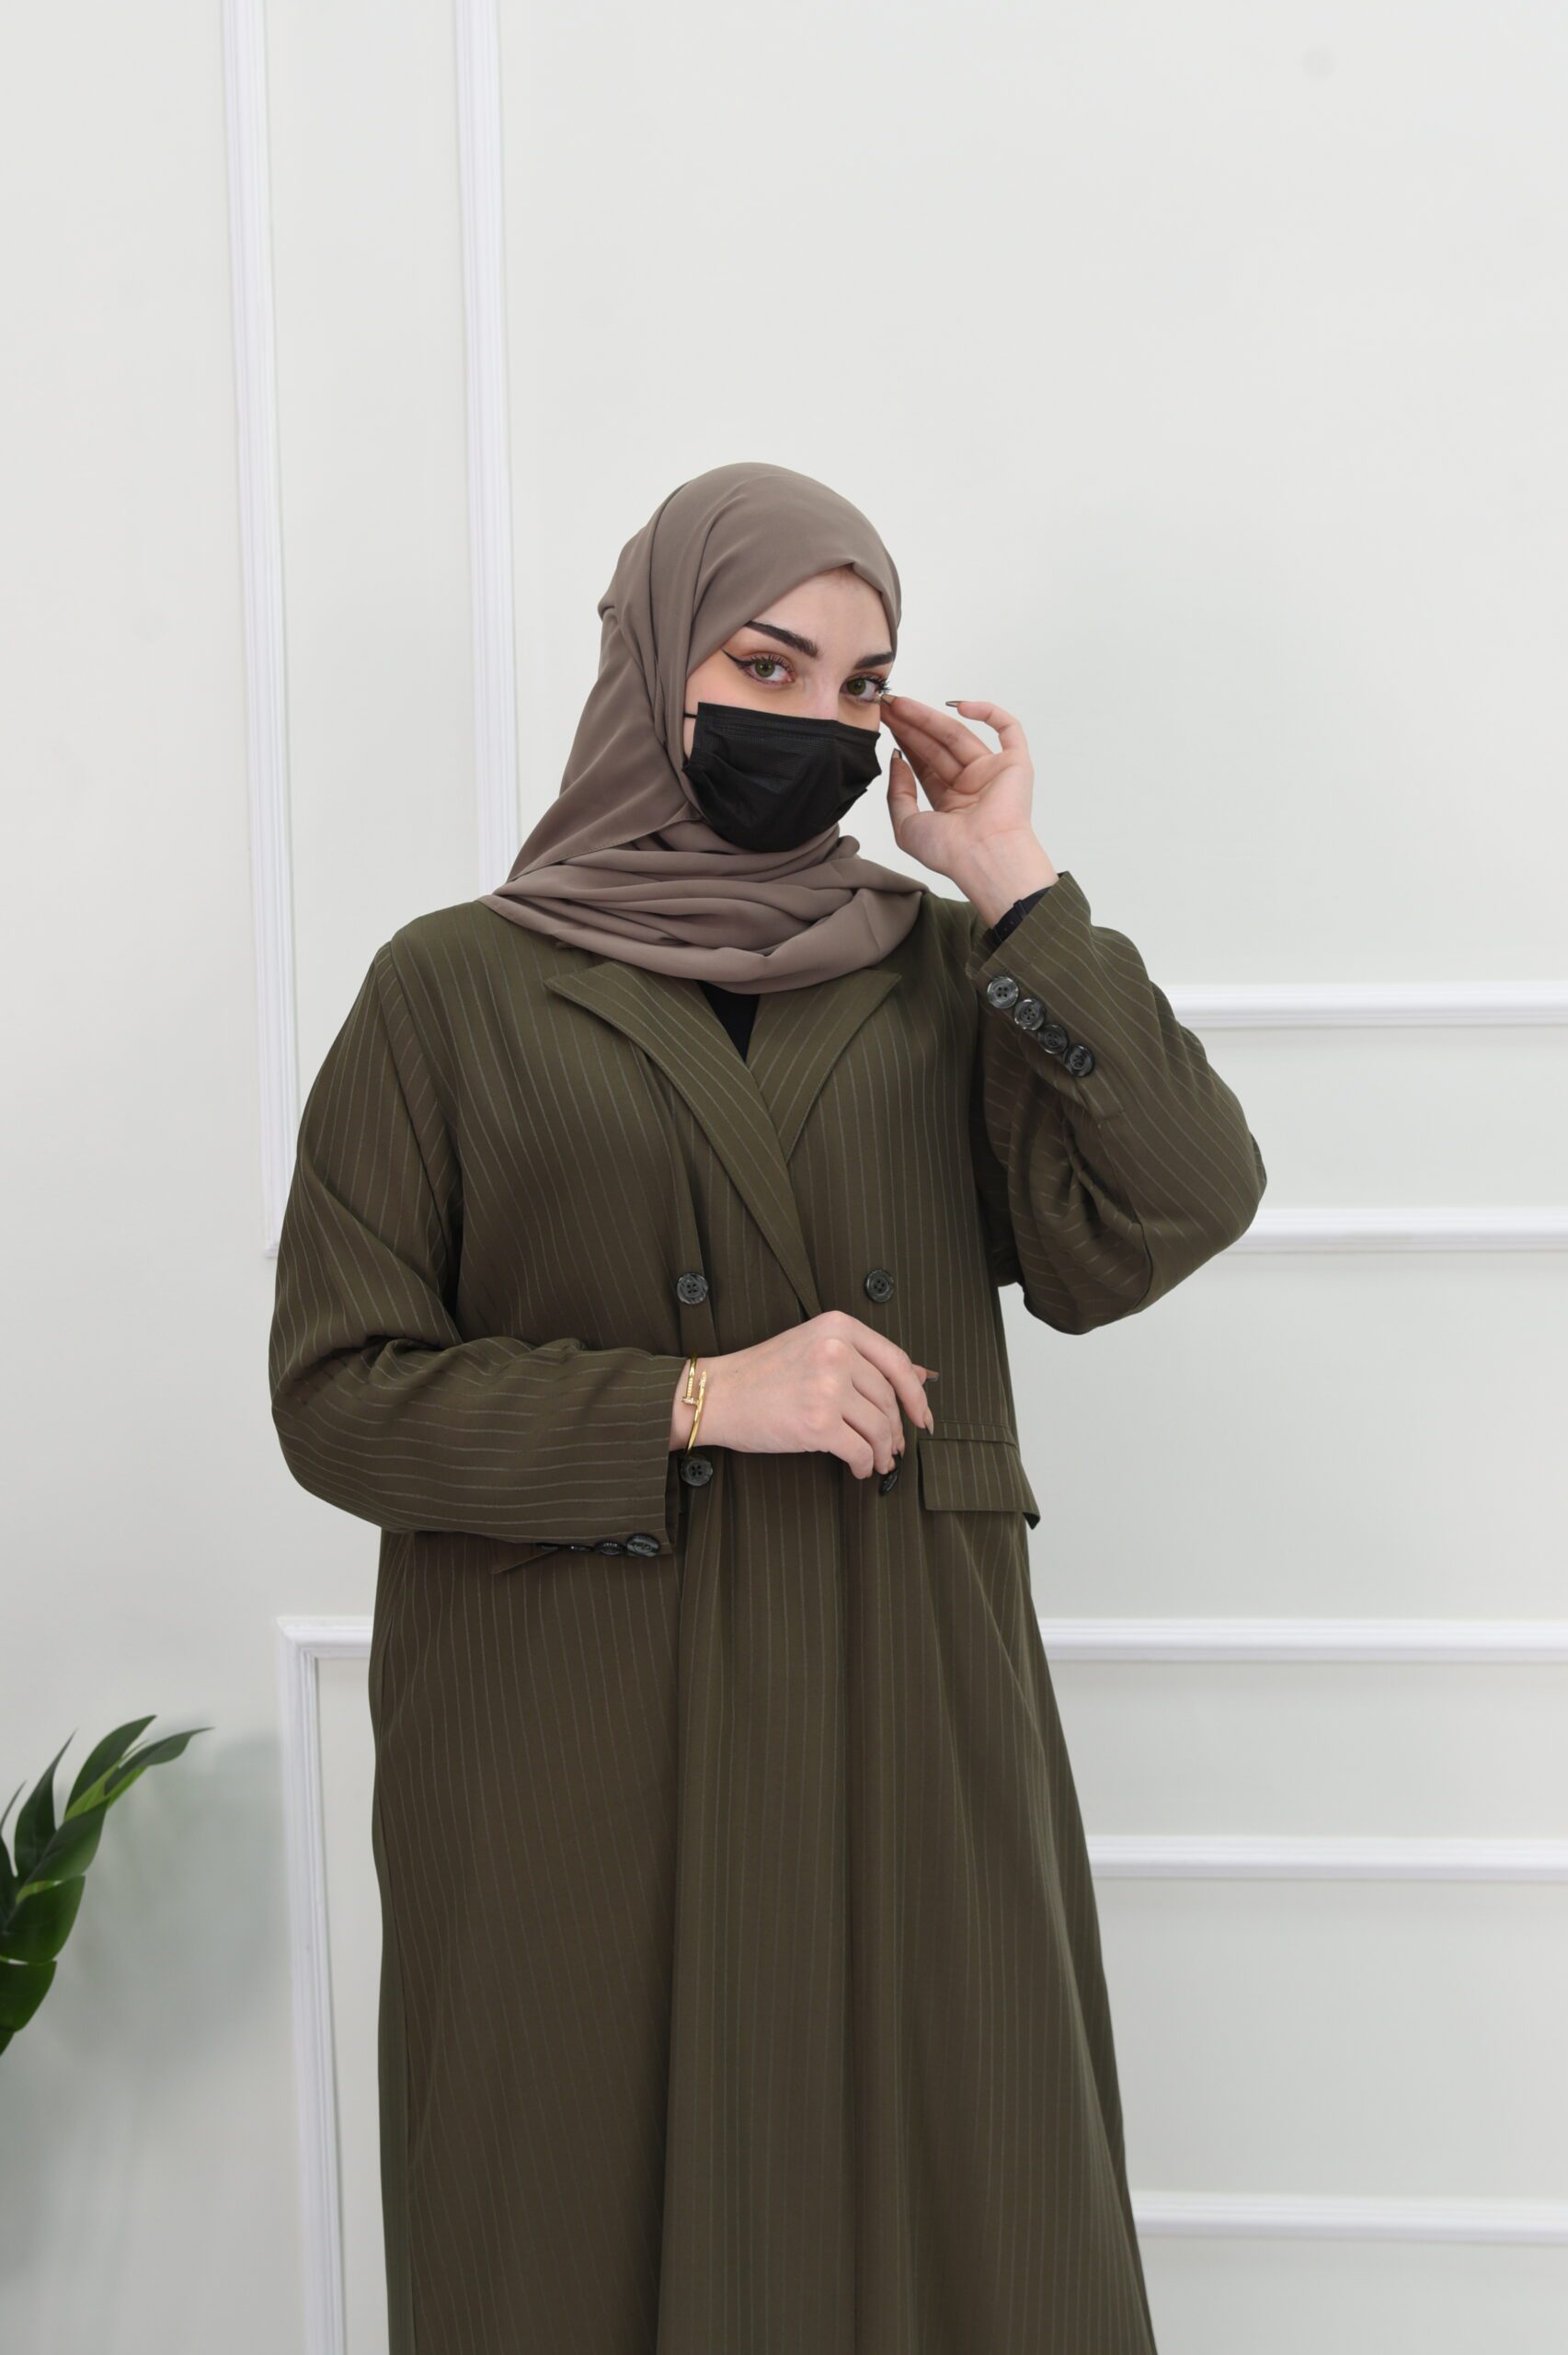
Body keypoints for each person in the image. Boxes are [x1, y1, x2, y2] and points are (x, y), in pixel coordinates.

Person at [268, 458, 1266, 2354]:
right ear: (653, 662)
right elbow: (337, 1395)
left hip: (895, 1701)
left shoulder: (940, 973)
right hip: (575, 1734)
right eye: (762, 663)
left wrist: (1011, 880)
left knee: (960, 2224)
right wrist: (693, 1397)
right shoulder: (451, 990)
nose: (810, 718)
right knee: (567, 2223)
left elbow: (1175, 1205)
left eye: (856, 680)